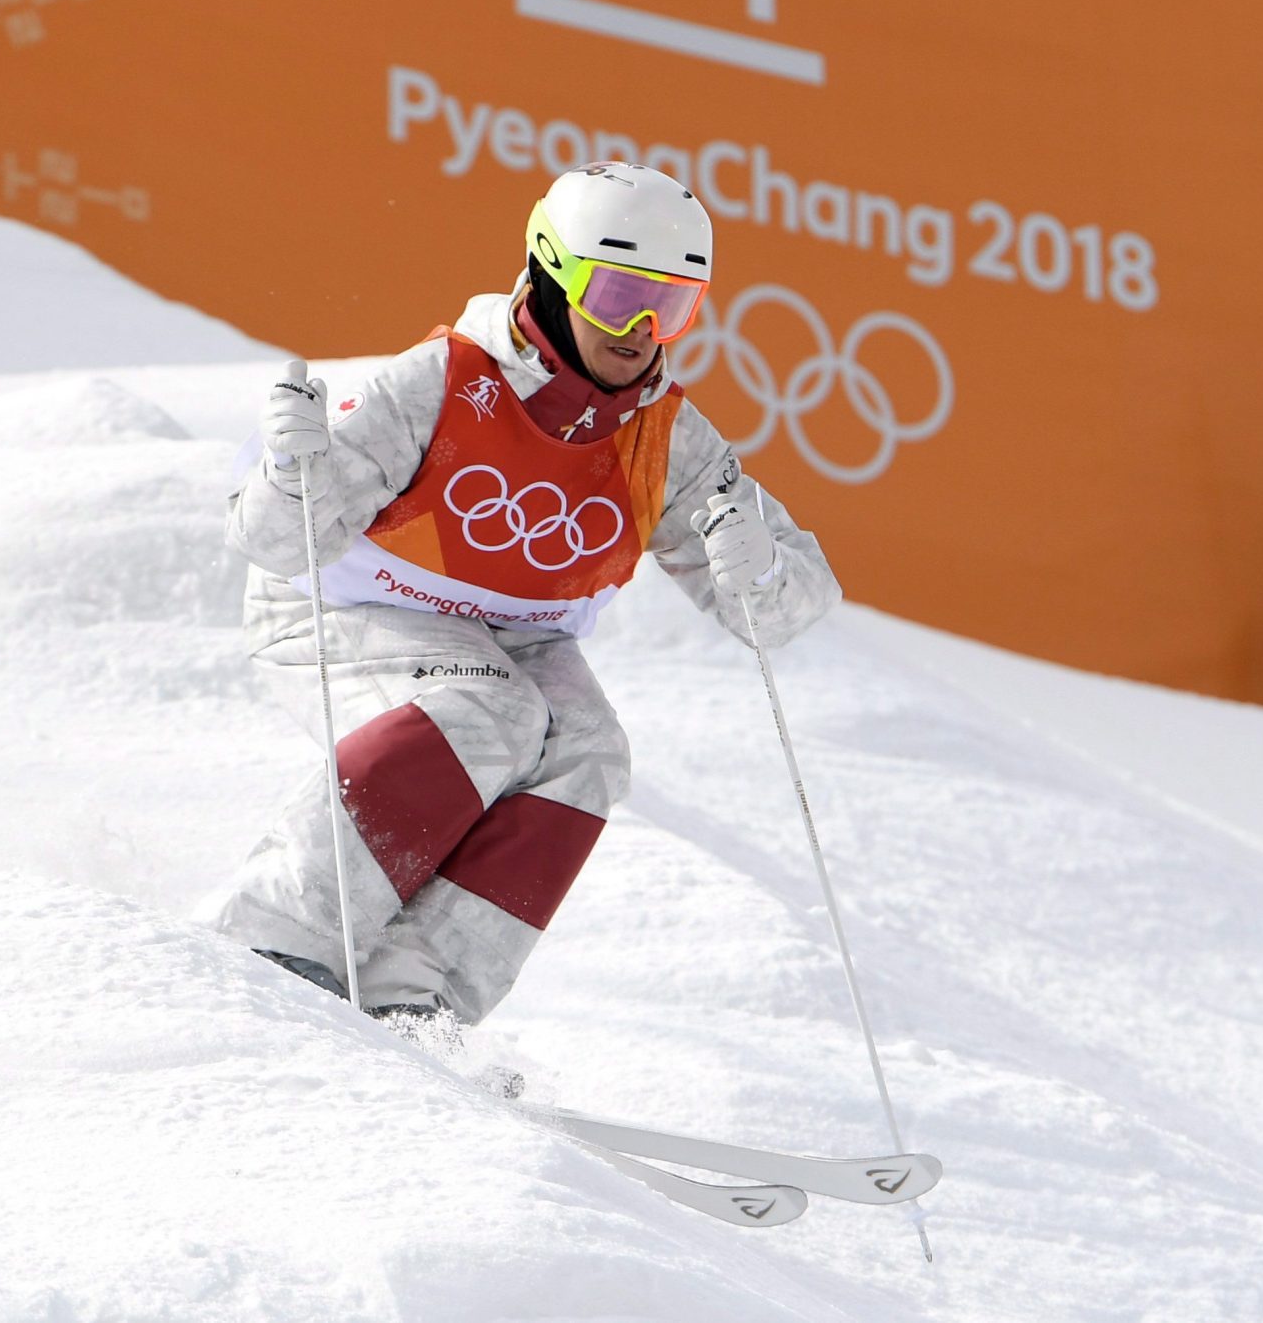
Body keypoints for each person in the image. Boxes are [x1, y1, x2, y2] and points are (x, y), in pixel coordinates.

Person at [207, 162, 840, 1034]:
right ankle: (275, 933)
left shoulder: (665, 440)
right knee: (486, 710)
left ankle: (415, 992)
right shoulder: (437, 383)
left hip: (513, 638)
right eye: (619, 296)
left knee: (590, 750)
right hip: (346, 611)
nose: (643, 331)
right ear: (551, 273)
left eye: (676, 305)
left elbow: (782, 614)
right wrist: (290, 474)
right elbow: (277, 542)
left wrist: (759, 569)